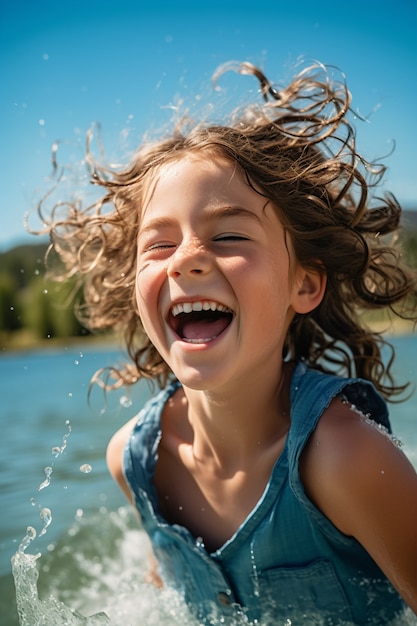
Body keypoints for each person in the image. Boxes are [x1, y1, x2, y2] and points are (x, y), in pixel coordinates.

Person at [38, 61, 417, 624]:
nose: (188, 257)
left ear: (304, 283)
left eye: (229, 235)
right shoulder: (135, 461)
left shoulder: (347, 459)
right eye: (159, 244)